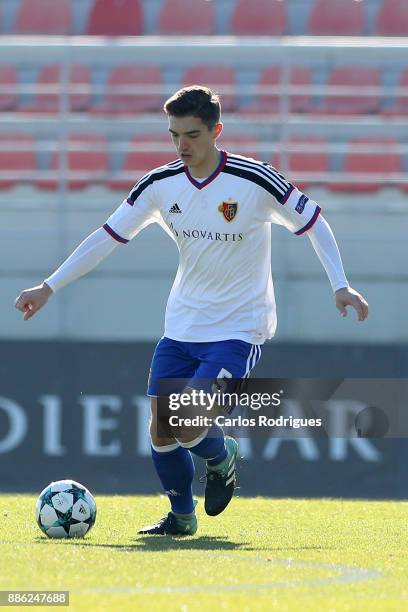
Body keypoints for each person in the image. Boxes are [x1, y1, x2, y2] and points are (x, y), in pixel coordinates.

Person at [15, 86, 369, 536]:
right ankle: (182, 518)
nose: (182, 145)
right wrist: (50, 286)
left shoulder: (255, 180)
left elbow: (315, 222)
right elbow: (106, 235)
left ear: (216, 131)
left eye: (193, 135)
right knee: (162, 430)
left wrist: (340, 285)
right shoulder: (159, 185)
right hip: (182, 326)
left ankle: (223, 458)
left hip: (240, 328)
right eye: (174, 135)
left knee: (185, 421)